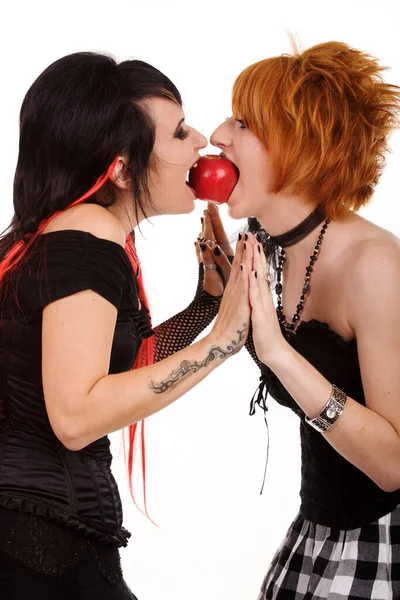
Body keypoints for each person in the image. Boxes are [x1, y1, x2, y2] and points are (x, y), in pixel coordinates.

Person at [0, 51, 253, 598]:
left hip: (36, 536)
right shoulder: (88, 240)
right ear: (121, 169)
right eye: (180, 132)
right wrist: (219, 344)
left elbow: (117, 372)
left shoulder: (62, 231)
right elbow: (76, 414)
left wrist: (204, 306)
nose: (203, 141)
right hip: (41, 549)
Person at [211, 41, 400, 599]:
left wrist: (278, 352)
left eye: (242, 122)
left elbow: (393, 465)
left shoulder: (375, 267)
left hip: (381, 542)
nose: (218, 135)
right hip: (315, 536)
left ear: (298, 145)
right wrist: (216, 304)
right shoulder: (271, 248)